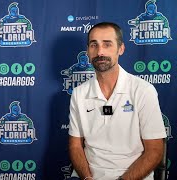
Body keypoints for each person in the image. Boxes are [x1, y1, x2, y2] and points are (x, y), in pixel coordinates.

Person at [68, 22, 166, 180]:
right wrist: (86, 177)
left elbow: (155, 150)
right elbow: (75, 145)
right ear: (88, 51)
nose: (100, 52)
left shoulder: (143, 90)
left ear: (121, 49)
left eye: (107, 44)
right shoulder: (79, 93)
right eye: (94, 45)